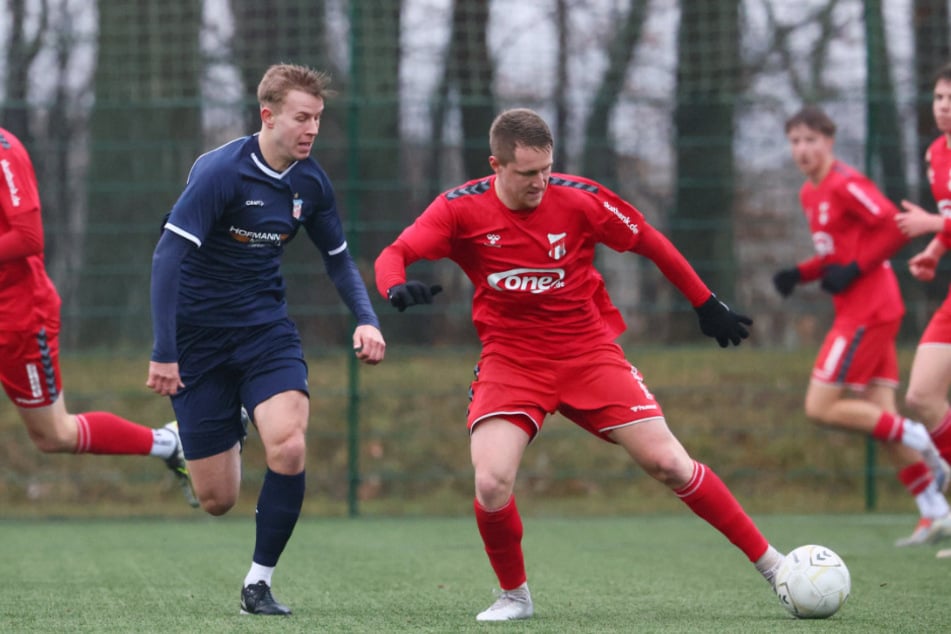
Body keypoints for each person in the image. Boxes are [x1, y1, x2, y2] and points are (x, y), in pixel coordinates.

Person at [375, 107, 786, 622]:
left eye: (546, 169)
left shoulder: (580, 198)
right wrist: (395, 287)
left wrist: (705, 303)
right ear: (496, 165)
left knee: (670, 463)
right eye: (527, 174)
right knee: (490, 481)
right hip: (511, 361)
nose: (541, 183)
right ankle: (515, 597)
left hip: (588, 353)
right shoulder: (460, 210)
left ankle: (777, 568)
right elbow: (393, 253)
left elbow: (650, 242)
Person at [146, 63, 386, 616]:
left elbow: (339, 259)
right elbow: (168, 257)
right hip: (199, 340)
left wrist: (367, 318)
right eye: (302, 118)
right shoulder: (220, 173)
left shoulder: (310, 182)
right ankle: (190, 443)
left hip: (264, 332)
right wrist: (165, 351)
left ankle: (258, 583)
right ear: (268, 115)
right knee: (217, 500)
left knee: (291, 443)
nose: (311, 129)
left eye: (318, 119)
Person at [772, 105, 951, 547]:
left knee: (821, 406)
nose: (803, 149)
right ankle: (935, 511)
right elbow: (836, 255)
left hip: (868, 310)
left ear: (830, 142)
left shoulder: (846, 183)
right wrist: (802, 273)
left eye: (811, 140)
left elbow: (894, 228)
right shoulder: (809, 193)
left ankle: (924, 441)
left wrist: (853, 270)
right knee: (878, 418)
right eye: (795, 141)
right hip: (857, 308)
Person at [0, 126, 195, 506]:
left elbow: (28, 236)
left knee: (53, 435)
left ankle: (169, 443)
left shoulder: (4, 151)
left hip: (17, 317)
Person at [894, 63, 951, 556]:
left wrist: (931, 224)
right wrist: (935, 250)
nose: (944, 105)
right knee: (921, 394)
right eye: (937, 97)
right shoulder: (937, 153)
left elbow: (945, 217)